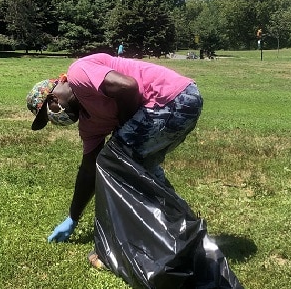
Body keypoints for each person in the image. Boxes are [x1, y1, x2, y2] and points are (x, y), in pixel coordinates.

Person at [26, 53, 203, 261]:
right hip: (177, 104)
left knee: (116, 162)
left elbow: (127, 86)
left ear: (53, 98)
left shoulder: (78, 73)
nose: (56, 119)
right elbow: (89, 169)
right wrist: (72, 217)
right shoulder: (90, 123)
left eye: (50, 113)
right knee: (141, 169)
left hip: (173, 98)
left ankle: (124, 243)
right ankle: (184, 227)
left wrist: (124, 127)